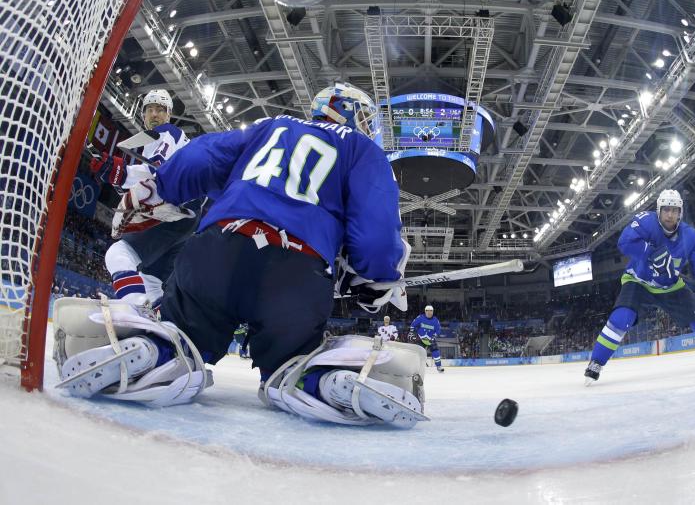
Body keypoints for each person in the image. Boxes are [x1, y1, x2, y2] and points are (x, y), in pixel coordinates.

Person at [57, 82, 426, 428]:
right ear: (344, 111)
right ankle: (315, 381)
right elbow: (377, 229)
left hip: (218, 249)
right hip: (296, 272)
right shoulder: (363, 149)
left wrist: (162, 186)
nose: (366, 126)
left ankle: (158, 352)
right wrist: (375, 278)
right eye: (362, 116)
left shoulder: (269, 125)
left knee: (182, 334)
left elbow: (200, 155)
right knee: (293, 358)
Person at [585, 189, 695, 385]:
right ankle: (596, 362)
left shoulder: (690, 236)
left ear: (681, 212)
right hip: (638, 280)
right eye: (666, 209)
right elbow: (624, 242)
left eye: (674, 210)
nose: (670, 214)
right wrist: (650, 252)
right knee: (622, 317)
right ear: (659, 210)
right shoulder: (645, 221)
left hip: (670, 286)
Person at [90, 89, 202, 317]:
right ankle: (160, 323)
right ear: (142, 115)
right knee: (151, 281)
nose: (155, 114)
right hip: (187, 220)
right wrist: (117, 175)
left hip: (175, 208)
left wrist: (116, 169)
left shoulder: (166, 132)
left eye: (160, 110)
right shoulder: (152, 143)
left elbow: (157, 170)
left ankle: (135, 308)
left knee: (118, 254)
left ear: (169, 115)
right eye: (150, 109)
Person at [409, 305, 444, 373]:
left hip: (430, 340)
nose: (429, 312)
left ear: (433, 312)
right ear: (425, 311)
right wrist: (411, 332)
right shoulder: (420, 317)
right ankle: (415, 368)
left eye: (431, 311)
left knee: (436, 352)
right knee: (417, 353)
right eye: (427, 311)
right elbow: (413, 325)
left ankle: (439, 366)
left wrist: (434, 336)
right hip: (420, 339)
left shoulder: (436, 320)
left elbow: (438, 330)